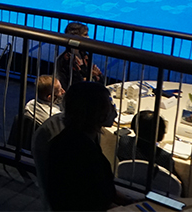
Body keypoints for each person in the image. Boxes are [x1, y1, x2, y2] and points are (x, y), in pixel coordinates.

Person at [43, 81, 123, 211]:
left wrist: (129, 202)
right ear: (95, 111)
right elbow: (96, 201)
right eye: (108, 104)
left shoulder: (78, 138)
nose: (113, 109)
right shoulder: (81, 152)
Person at [116, 111, 179, 179]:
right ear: (161, 133)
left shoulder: (124, 141)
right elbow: (174, 182)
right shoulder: (164, 157)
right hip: (154, 188)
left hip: (125, 185)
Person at [55, 21, 102, 90]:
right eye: (85, 35)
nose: (88, 37)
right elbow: (77, 83)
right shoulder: (66, 59)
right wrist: (93, 76)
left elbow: (100, 76)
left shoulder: (84, 55)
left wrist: (94, 76)